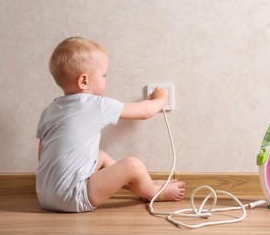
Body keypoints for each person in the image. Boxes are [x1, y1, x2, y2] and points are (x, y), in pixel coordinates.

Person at [36, 36, 185, 212]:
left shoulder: (50, 110)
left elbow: (43, 155)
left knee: (100, 155)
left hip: (44, 195)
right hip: (74, 197)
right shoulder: (96, 105)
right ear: (84, 81)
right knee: (133, 165)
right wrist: (162, 98)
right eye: (103, 74)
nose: (106, 78)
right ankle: (153, 192)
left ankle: (141, 183)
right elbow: (145, 112)